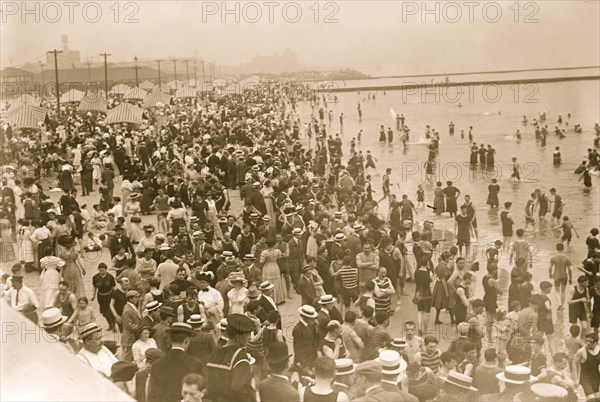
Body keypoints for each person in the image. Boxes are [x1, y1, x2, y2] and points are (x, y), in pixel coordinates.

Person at [206, 314, 257, 402]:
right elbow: (239, 388)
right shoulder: (240, 356)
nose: (249, 338)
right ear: (238, 337)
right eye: (247, 335)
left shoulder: (215, 351)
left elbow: (209, 384)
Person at [149, 322, 202, 402]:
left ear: (170, 340)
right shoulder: (195, 364)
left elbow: (153, 395)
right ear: (187, 341)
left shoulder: (156, 364)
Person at [293, 305, 320, 376]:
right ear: (304, 317)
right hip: (304, 363)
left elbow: (316, 341)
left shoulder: (312, 325)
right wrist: (305, 367)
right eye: (311, 319)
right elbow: (298, 349)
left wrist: (316, 329)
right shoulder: (297, 329)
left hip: (312, 359)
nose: (313, 320)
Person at [573, 332, 600, 400]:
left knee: (597, 399)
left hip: (596, 377)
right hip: (585, 378)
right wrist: (576, 379)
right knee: (592, 400)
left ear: (596, 343)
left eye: (591, 341)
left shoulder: (599, 350)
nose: (588, 343)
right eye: (587, 341)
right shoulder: (581, 352)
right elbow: (574, 363)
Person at [549, 243, 573, 309]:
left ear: (556, 248)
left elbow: (550, 268)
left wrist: (550, 274)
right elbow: (570, 269)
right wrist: (571, 278)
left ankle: (559, 303)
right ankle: (562, 305)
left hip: (556, 276)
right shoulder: (566, 258)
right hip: (564, 276)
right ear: (563, 248)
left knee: (557, 291)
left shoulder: (553, 258)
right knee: (563, 291)